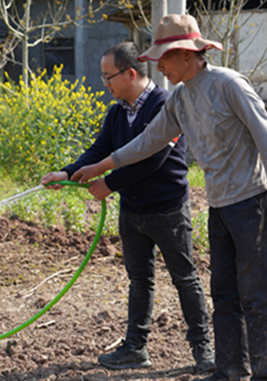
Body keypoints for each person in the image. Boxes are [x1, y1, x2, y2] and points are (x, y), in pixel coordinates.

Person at [71, 15, 267, 381]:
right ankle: (230, 369)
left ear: (187, 55)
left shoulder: (227, 84)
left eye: (164, 59)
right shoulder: (181, 99)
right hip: (218, 207)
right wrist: (102, 166)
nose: (159, 67)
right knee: (224, 294)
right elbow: (147, 142)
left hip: (251, 200)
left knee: (259, 295)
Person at [41, 41, 216, 373]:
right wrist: (67, 171)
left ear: (131, 73)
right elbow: (100, 150)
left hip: (167, 210)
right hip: (132, 210)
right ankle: (135, 347)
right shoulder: (118, 111)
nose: (105, 84)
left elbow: (153, 157)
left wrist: (109, 183)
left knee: (184, 277)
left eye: (109, 77)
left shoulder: (165, 105)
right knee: (139, 279)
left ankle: (203, 349)